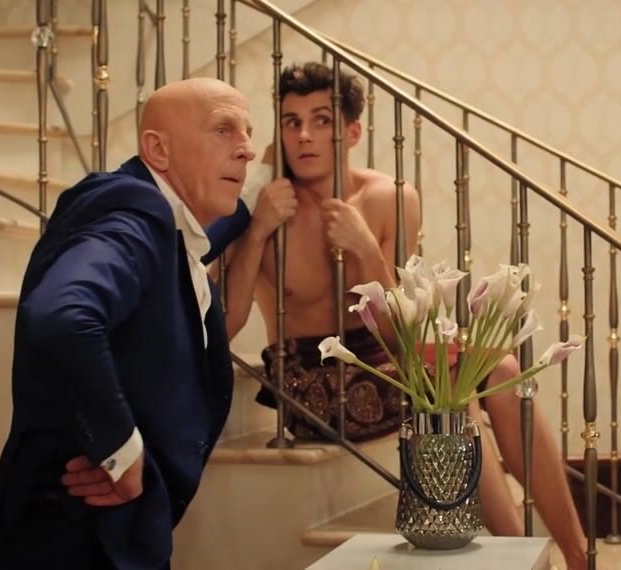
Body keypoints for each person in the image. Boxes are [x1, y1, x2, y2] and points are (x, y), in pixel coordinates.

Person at [225, 62, 588, 568]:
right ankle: (523, 558)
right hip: (308, 379)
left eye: (321, 120)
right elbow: (227, 322)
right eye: (292, 122)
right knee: (450, 391)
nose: (304, 135)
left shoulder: (387, 198)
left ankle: (578, 553)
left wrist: (366, 250)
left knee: (502, 370)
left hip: (385, 356)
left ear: (352, 132)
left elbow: (403, 332)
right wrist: (258, 230)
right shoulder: (261, 208)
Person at [0, 77, 257, 569]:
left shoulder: (169, 222)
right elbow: (61, 316)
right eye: (224, 130)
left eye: (248, 133)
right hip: (78, 539)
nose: (247, 150)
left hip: (111, 535)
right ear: (158, 150)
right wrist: (120, 449)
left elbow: (212, 227)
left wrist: (258, 212)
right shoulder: (132, 216)